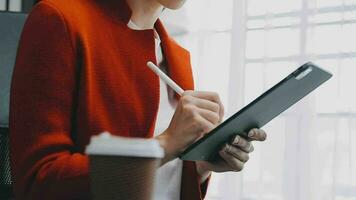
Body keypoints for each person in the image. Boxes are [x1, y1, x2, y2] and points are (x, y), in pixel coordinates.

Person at [9, 0, 267, 199]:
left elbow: (163, 179)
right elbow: (37, 182)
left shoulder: (178, 57)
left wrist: (200, 165)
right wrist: (163, 146)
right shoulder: (60, 20)